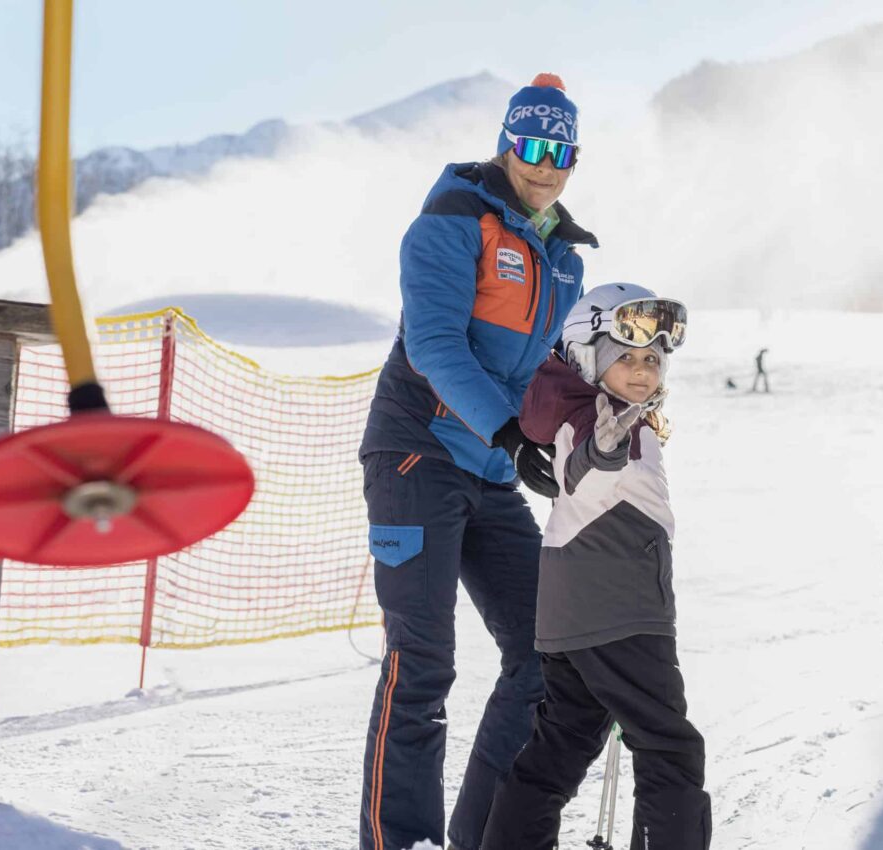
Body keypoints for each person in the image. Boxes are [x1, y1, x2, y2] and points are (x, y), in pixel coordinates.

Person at [357, 73, 597, 850]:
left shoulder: (565, 262)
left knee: (546, 655)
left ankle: (487, 839)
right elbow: (433, 346)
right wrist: (507, 433)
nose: (545, 163)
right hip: (416, 453)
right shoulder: (451, 223)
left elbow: (553, 374)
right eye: (531, 145)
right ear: (505, 142)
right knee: (422, 659)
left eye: (561, 151)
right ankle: (400, 842)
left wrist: (597, 436)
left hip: (492, 472)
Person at [480, 283, 712, 850]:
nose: (641, 372)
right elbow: (584, 471)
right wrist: (605, 450)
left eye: (652, 360)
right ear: (588, 357)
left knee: (563, 742)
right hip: (620, 612)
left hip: (571, 613)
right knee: (668, 746)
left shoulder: (580, 407)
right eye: (625, 357)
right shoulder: (601, 420)